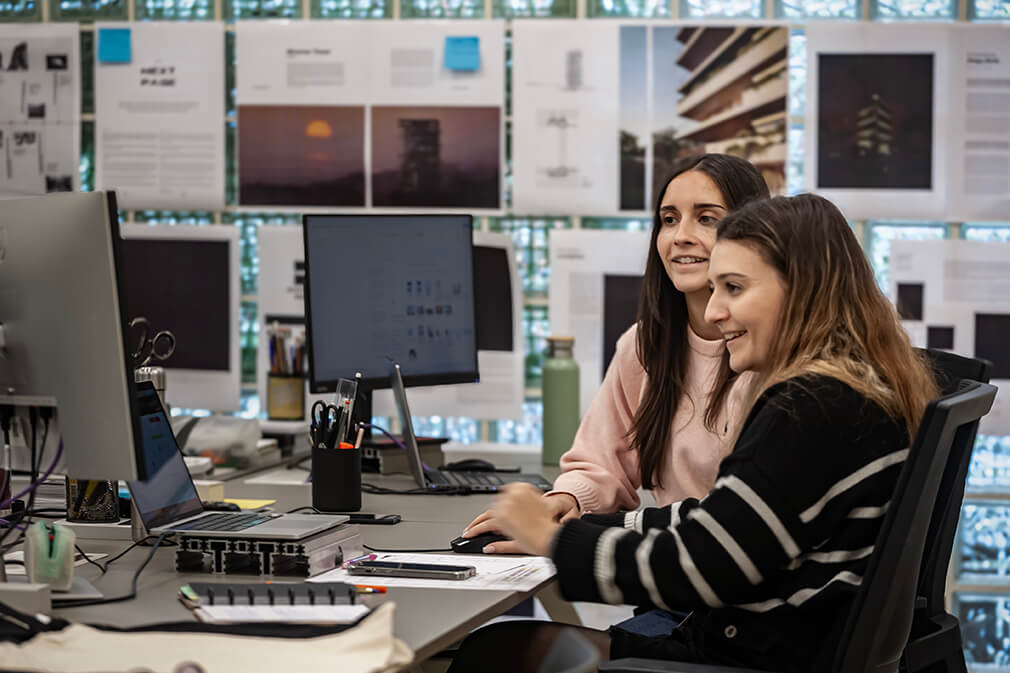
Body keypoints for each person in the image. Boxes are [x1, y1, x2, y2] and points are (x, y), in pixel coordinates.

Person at [447, 193, 939, 673]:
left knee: (492, 652)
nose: (712, 311)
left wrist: (555, 542)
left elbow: (707, 566)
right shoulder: (851, 388)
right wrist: (586, 528)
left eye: (734, 288)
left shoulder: (809, 406)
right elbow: (720, 521)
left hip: (749, 656)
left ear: (803, 289)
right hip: (771, 645)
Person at [466, 154, 770, 555]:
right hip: (681, 580)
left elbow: (738, 523)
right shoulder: (644, 346)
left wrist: (566, 542)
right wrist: (567, 500)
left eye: (707, 219)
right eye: (669, 219)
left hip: (723, 585)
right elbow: (602, 463)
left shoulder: (770, 351)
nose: (680, 236)